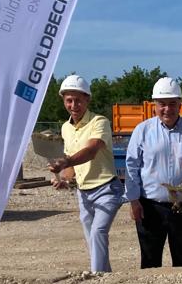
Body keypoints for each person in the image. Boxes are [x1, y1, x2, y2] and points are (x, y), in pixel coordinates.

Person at [124, 76, 182, 268]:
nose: (167, 109)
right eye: (162, 104)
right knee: (149, 264)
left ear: (180, 104)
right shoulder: (142, 131)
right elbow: (131, 167)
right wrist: (133, 201)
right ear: (154, 104)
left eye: (172, 103)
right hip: (150, 208)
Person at [47, 74, 125, 273]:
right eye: (69, 100)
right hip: (83, 193)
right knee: (92, 238)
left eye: (78, 100)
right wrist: (64, 178)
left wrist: (66, 161)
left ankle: (96, 279)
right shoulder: (66, 128)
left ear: (87, 99)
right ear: (64, 101)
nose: (74, 105)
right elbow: (72, 163)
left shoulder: (99, 122)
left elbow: (91, 150)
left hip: (107, 189)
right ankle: (105, 278)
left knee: (98, 232)